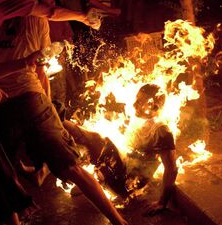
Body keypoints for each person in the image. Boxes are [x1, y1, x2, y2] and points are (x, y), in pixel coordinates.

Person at [0, 0, 137, 225]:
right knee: (71, 165)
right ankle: (120, 223)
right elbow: (39, 68)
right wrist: (49, 104)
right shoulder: (34, 18)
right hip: (28, 98)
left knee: (2, 171)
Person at [63, 84, 179, 216]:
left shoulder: (162, 130)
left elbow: (172, 169)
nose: (134, 104)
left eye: (140, 102)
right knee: (97, 134)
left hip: (127, 183)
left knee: (96, 139)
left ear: (154, 106)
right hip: (118, 170)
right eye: (136, 99)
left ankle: (56, 118)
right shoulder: (141, 118)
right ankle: (96, 181)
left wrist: (161, 203)